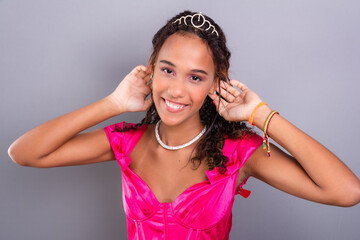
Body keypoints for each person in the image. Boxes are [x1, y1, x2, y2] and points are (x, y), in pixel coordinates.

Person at [8, 10, 360, 240]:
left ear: (214, 84)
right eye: (167, 70)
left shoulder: (239, 152)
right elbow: (24, 153)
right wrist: (113, 104)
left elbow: (346, 192)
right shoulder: (126, 142)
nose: (176, 89)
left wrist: (261, 115)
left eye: (195, 77)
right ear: (151, 69)